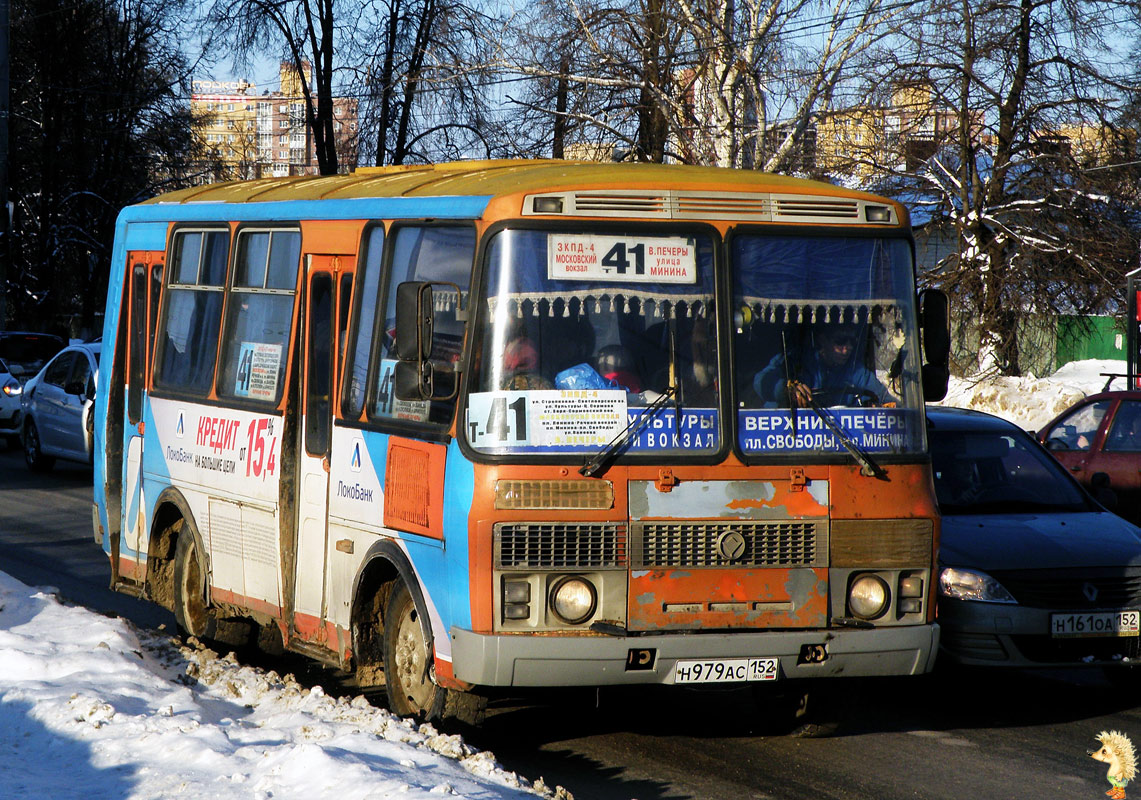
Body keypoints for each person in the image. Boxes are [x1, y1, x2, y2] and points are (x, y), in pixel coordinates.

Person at [753, 322, 888, 407]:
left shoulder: (855, 371)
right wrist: (786, 391)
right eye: (840, 341)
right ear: (823, 340)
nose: (847, 348)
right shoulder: (796, 360)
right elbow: (761, 381)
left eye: (852, 341)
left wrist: (880, 405)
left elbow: (882, 397)